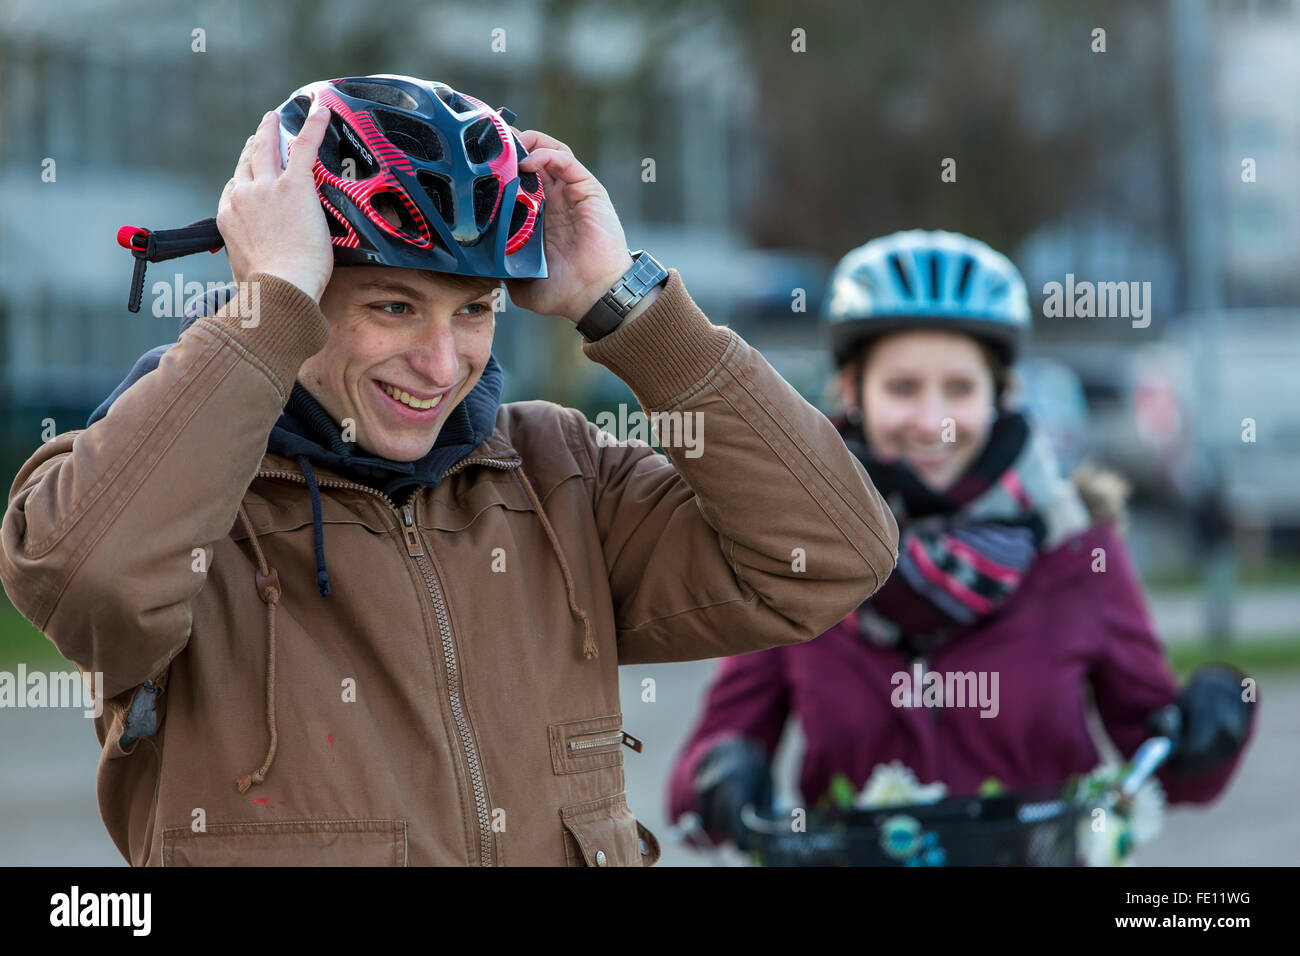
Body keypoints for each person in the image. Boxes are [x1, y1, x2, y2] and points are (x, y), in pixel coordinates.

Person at [0, 75, 898, 866]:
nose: (442, 364)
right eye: (395, 306)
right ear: (297, 281)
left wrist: (627, 302)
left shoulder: (560, 477)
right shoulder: (173, 493)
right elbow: (90, 583)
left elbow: (832, 554)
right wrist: (264, 310)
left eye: (474, 310)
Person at [666, 229, 1258, 856]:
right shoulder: (793, 555)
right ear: (850, 393)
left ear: (1000, 395)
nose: (932, 421)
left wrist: (1213, 720)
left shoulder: (1079, 551)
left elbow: (1167, 767)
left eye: (958, 389)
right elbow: (694, 790)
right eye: (902, 388)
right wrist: (718, 777)